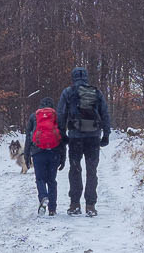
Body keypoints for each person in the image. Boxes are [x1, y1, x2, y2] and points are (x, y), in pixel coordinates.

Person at [56, 65, 111, 215]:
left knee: (75, 169)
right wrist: (106, 134)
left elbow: (61, 115)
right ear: (86, 77)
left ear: (73, 78)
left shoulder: (68, 92)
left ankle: (75, 204)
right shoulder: (96, 92)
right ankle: (90, 205)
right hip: (93, 136)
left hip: (75, 137)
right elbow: (105, 113)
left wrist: (62, 134)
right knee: (91, 170)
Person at [23, 96, 65, 216]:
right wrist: (63, 157)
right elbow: (62, 138)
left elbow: (28, 138)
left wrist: (27, 156)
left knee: (40, 179)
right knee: (52, 180)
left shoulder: (34, 117)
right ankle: (52, 209)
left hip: (38, 152)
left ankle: (43, 197)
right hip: (54, 152)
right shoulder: (56, 116)